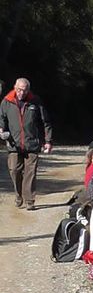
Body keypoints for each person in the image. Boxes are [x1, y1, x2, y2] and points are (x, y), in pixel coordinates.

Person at [0, 77, 52, 209]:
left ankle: (29, 201)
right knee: (14, 171)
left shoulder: (35, 101)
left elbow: (45, 122)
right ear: (14, 87)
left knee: (31, 172)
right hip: (14, 144)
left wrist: (48, 141)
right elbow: (2, 120)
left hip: (32, 144)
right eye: (19, 90)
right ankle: (18, 195)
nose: (21, 93)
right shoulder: (6, 102)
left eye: (24, 90)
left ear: (28, 90)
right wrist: (1, 130)